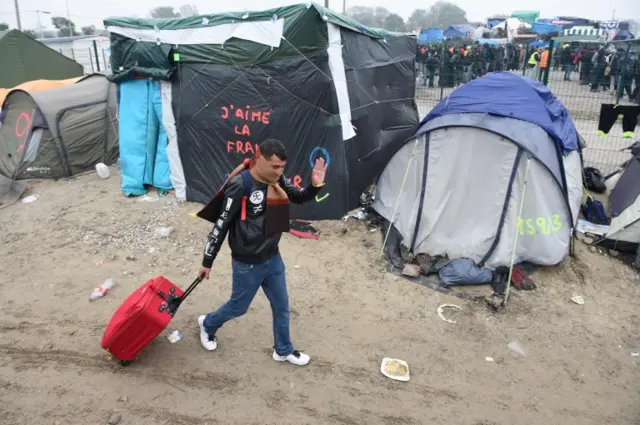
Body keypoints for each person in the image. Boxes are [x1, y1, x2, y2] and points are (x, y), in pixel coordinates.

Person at [196, 139, 327, 366]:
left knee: (281, 307)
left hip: (272, 257)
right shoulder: (240, 184)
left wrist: (315, 185)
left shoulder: (276, 180)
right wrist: (207, 261)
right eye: (275, 167)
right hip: (247, 263)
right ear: (263, 161)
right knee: (238, 307)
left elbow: (298, 196)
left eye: (282, 167)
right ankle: (207, 324)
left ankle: (283, 350)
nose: (280, 172)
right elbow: (221, 224)